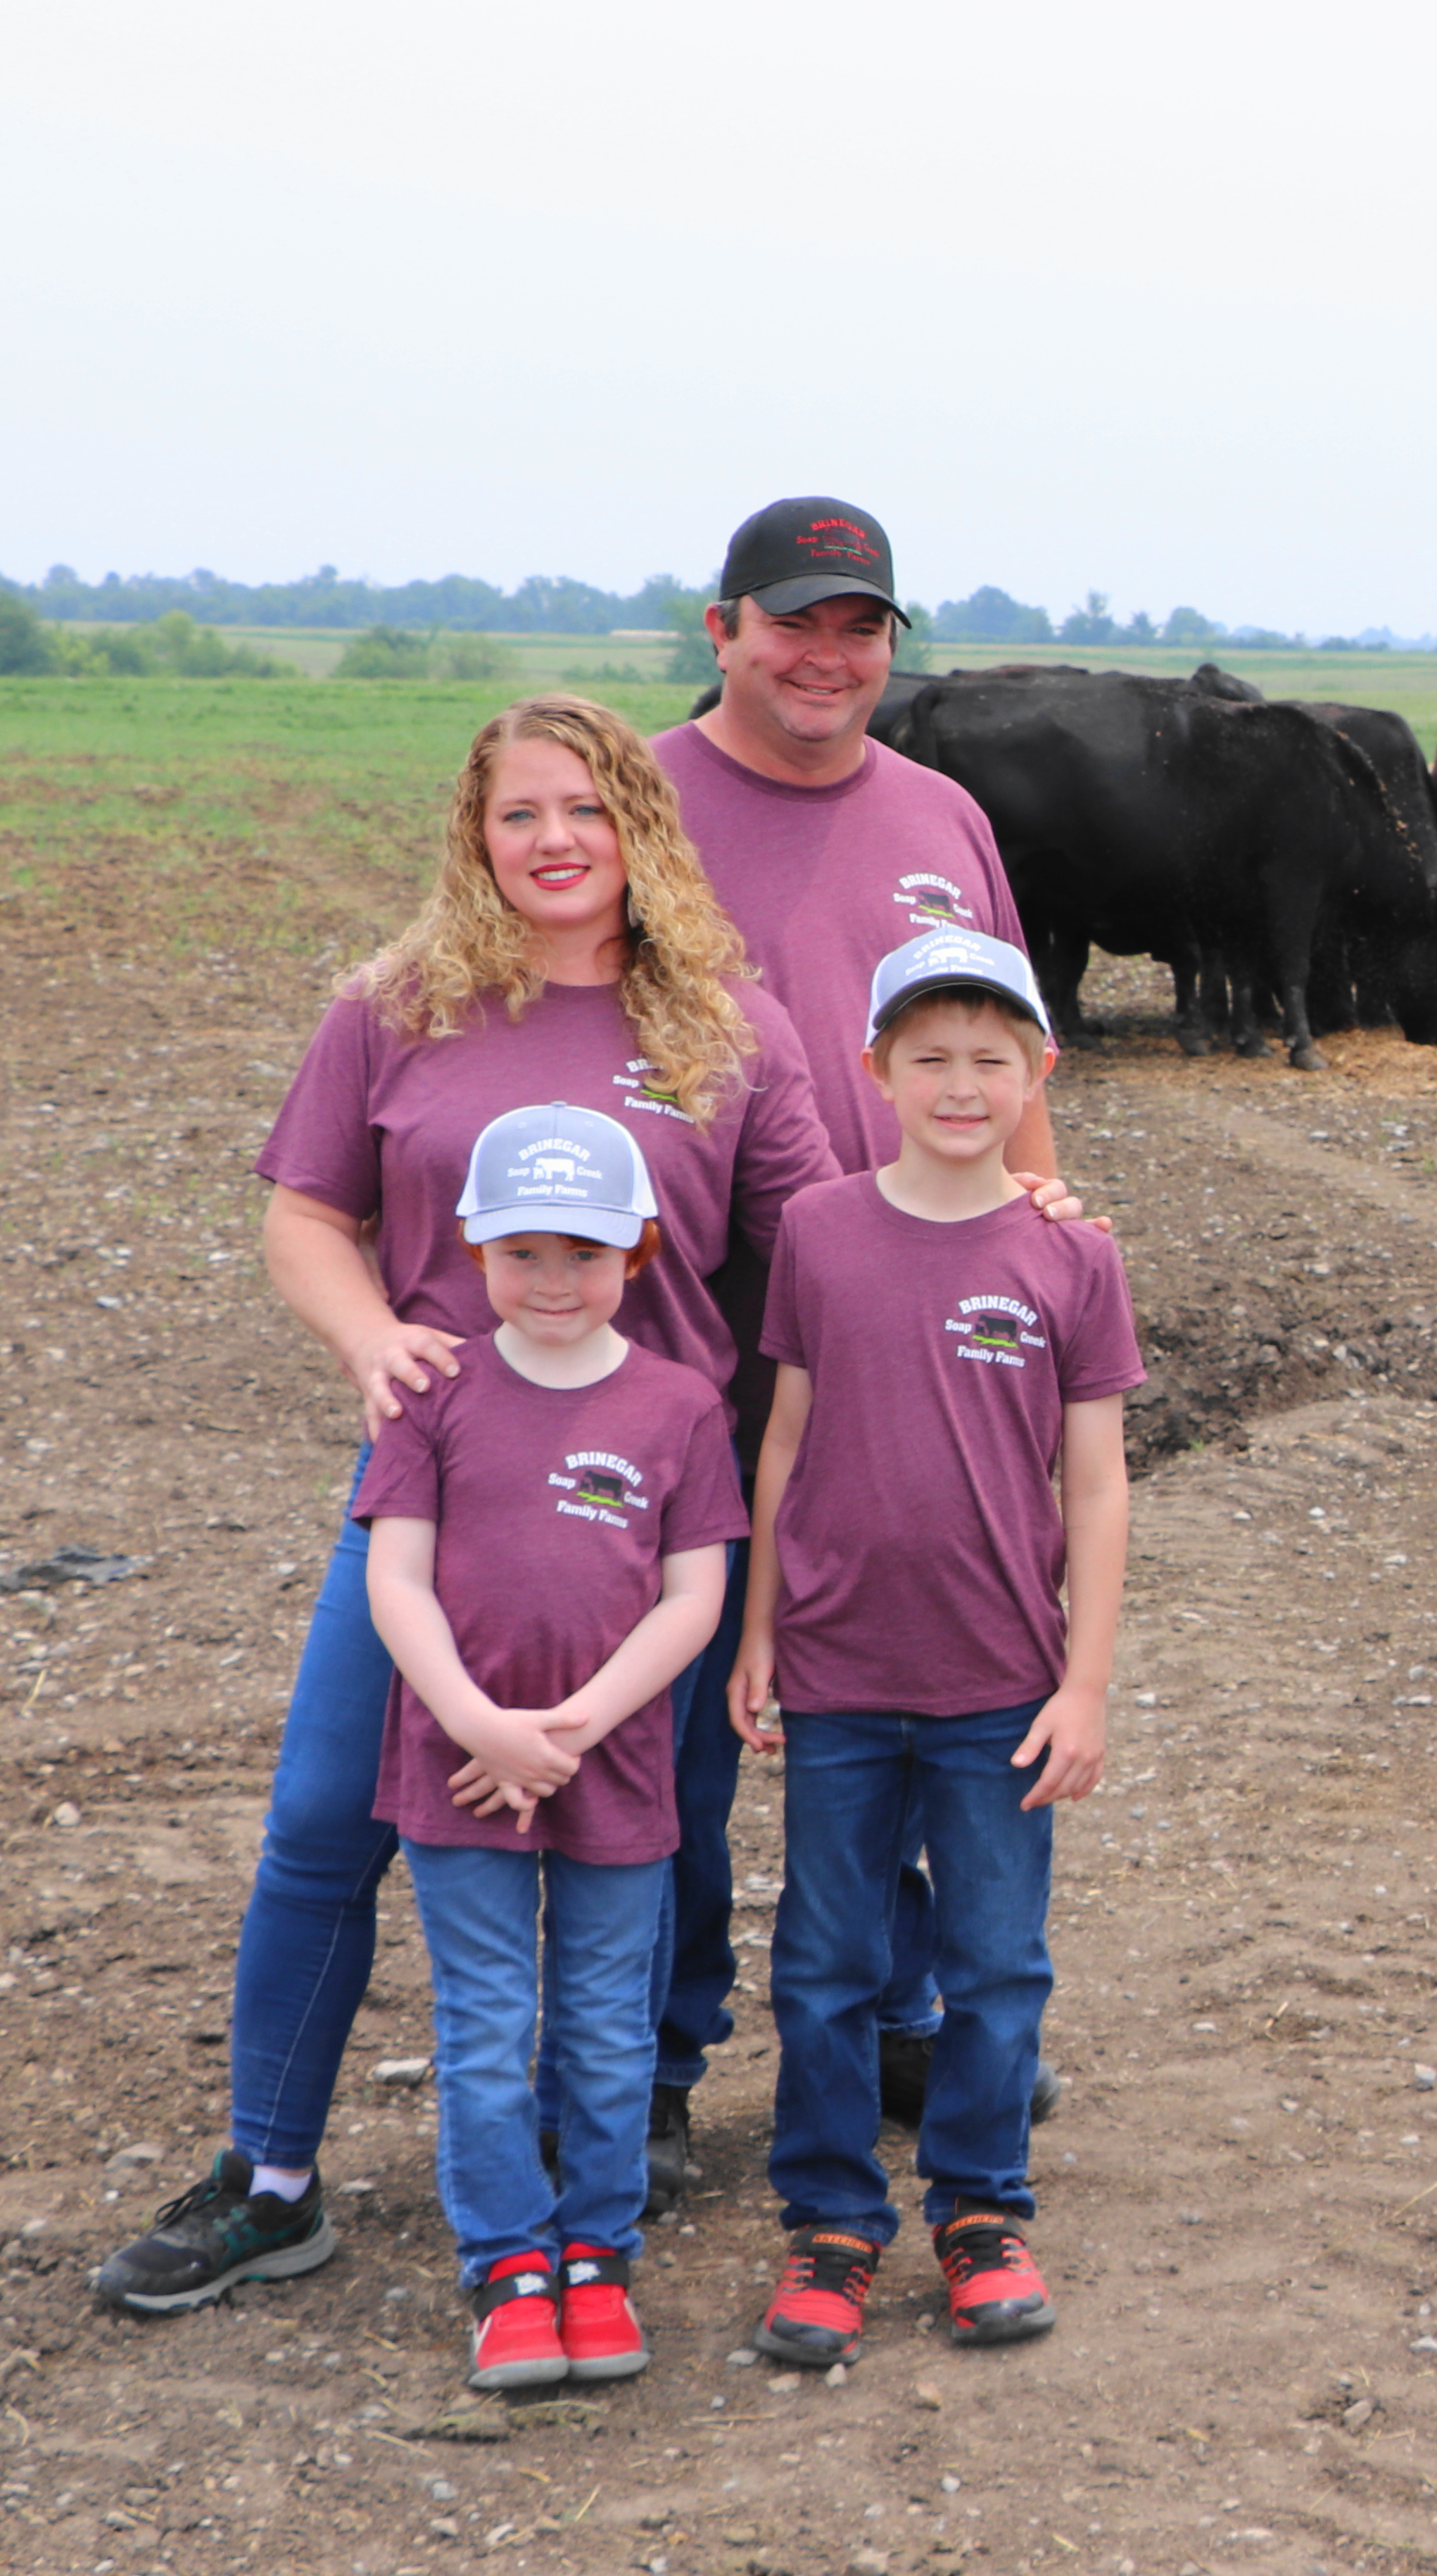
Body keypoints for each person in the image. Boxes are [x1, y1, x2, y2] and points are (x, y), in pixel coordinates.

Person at [94, 697, 833, 2317]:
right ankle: (268, 2173)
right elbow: (308, 1213)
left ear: (640, 817)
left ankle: (590, 2178)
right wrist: (370, 1336)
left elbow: (824, 1254)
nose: (554, 839)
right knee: (319, 1825)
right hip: (434, 1489)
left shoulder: (733, 1028)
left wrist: (1013, 1211)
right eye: (518, 815)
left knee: (644, 1832)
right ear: (474, 834)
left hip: (654, 1516)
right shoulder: (400, 1006)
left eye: (586, 806)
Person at [645, 497, 1063, 2183]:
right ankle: (656, 2053)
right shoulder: (641, 801)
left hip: (898, 1341)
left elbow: (1013, 1043)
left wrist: (1039, 1238)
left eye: (862, 626)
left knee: (896, 1678)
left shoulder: (943, 814)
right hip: (675, 1328)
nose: (828, 656)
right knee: (679, 1712)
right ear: (722, 625)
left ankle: (901, 2013)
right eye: (796, 620)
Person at [728, 928, 1139, 2366]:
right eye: (928, 1058)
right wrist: (760, 1629)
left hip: (1001, 1685)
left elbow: (1094, 1484)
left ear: (1038, 1068)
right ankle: (831, 2223)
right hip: (837, 1673)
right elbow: (783, 1441)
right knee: (824, 1962)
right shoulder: (824, 1233)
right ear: (876, 1070)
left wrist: (1083, 1683)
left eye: (989, 1059)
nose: (960, 1085)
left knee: (996, 1962)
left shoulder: (1072, 1256)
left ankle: (979, 2209)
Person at [362, 1106, 746, 2388]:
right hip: (457, 1767)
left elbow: (694, 1598)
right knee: (482, 2024)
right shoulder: (437, 1392)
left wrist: (574, 1731)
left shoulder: (681, 1407)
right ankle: (507, 2266)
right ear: (476, 1254)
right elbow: (398, 1581)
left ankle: (596, 2252)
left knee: (602, 2027)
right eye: (522, 1254)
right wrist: (480, 1724)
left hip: (616, 1767)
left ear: (636, 1253)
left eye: (583, 1254)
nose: (553, 1282)